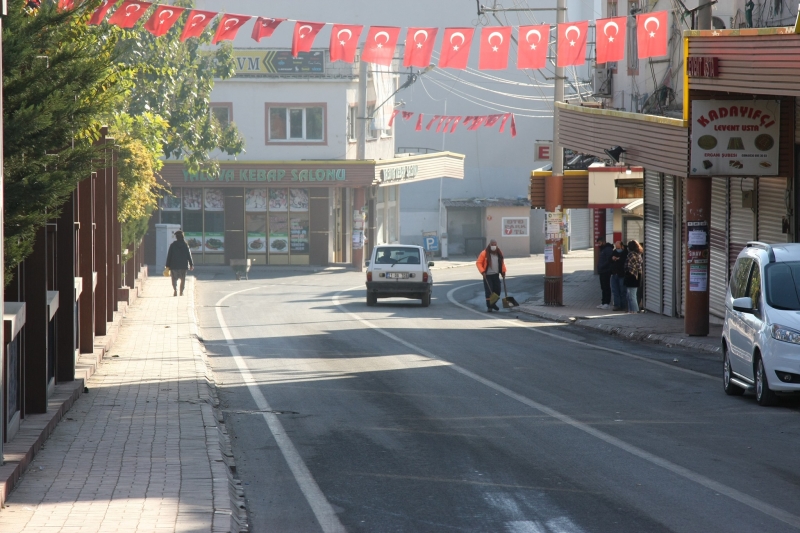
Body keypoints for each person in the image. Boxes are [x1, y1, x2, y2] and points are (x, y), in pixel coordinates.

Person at [476, 239, 507, 312]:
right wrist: (482, 271)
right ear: (489, 244)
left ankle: (493, 304)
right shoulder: (484, 253)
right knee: (489, 292)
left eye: (495, 244)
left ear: (497, 244)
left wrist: (503, 271)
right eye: (492, 244)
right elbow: (478, 263)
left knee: (497, 291)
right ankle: (489, 307)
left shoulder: (499, 253)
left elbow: (502, 263)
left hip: (496, 275)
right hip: (487, 275)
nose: (494, 246)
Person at [165, 230, 194, 297]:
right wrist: (191, 264)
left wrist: (167, 265)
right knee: (183, 279)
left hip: (174, 265)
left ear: (176, 237)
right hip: (183, 265)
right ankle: (181, 292)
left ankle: (175, 290)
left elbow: (169, 256)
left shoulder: (172, 245)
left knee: (174, 279)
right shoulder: (185, 245)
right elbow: (188, 255)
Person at [624, 240, 643, 313]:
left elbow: (630, 267)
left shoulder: (631, 255)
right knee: (631, 295)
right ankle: (632, 310)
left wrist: (628, 273)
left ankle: (634, 310)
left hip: (632, 277)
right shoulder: (638, 254)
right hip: (637, 276)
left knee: (631, 295)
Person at [610, 240, 628, 311]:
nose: (618, 249)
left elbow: (624, 261)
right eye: (616, 247)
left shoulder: (625, 253)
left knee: (622, 291)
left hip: (622, 275)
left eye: (619, 247)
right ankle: (617, 305)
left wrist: (618, 259)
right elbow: (609, 260)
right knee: (615, 291)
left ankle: (623, 305)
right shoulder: (614, 252)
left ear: (622, 246)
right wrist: (612, 258)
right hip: (614, 274)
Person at [596, 237, 613, 310]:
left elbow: (608, 260)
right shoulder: (602, 249)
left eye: (599, 243)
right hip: (602, 271)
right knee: (603, 287)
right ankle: (603, 302)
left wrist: (602, 267)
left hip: (606, 271)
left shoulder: (608, 249)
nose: (598, 245)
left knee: (606, 287)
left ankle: (607, 303)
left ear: (603, 242)